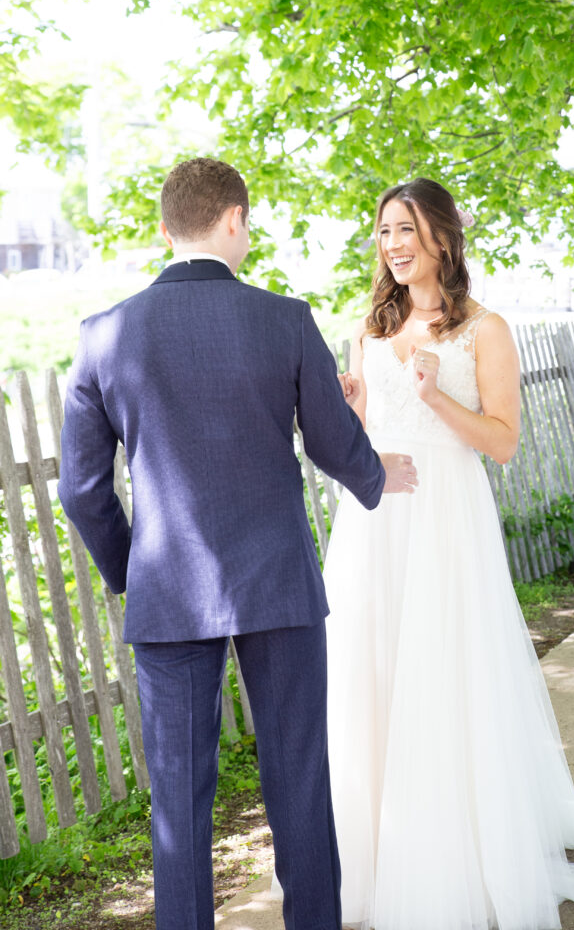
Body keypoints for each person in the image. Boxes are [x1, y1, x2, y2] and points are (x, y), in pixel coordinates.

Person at [57, 157, 418, 930]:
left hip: (168, 592)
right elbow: (329, 443)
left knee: (179, 802)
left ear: (165, 229)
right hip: (278, 582)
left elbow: (81, 490)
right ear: (232, 219)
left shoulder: (101, 335)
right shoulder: (283, 318)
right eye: (247, 224)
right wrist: (375, 473)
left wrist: (134, 572)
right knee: (298, 777)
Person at [324, 177, 574, 930]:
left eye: (406, 230)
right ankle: (377, 851)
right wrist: (354, 412)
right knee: (375, 669)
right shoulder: (367, 328)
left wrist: (432, 396)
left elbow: (503, 443)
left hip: (445, 522)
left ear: (442, 240)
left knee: (443, 672)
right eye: (384, 231)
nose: (392, 245)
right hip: (375, 521)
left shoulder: (484, 328)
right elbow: (362, 443)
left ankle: (454, 851)